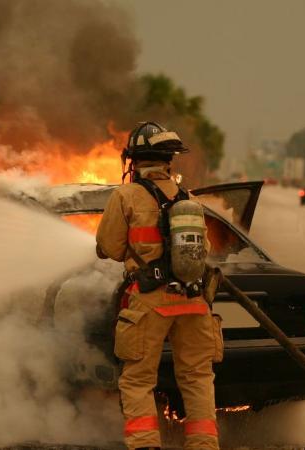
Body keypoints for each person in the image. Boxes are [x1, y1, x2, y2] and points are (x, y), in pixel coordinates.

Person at [96, 122, 221, 450]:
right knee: (197, 380)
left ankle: (146, 445)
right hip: (194, 302)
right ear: (169, 160)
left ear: (133, 161)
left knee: (137, 380)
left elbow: (109, 248)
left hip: (150, 301)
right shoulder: (188, 199)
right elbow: (203, 252)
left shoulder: (126, 195)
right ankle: (204, 446)